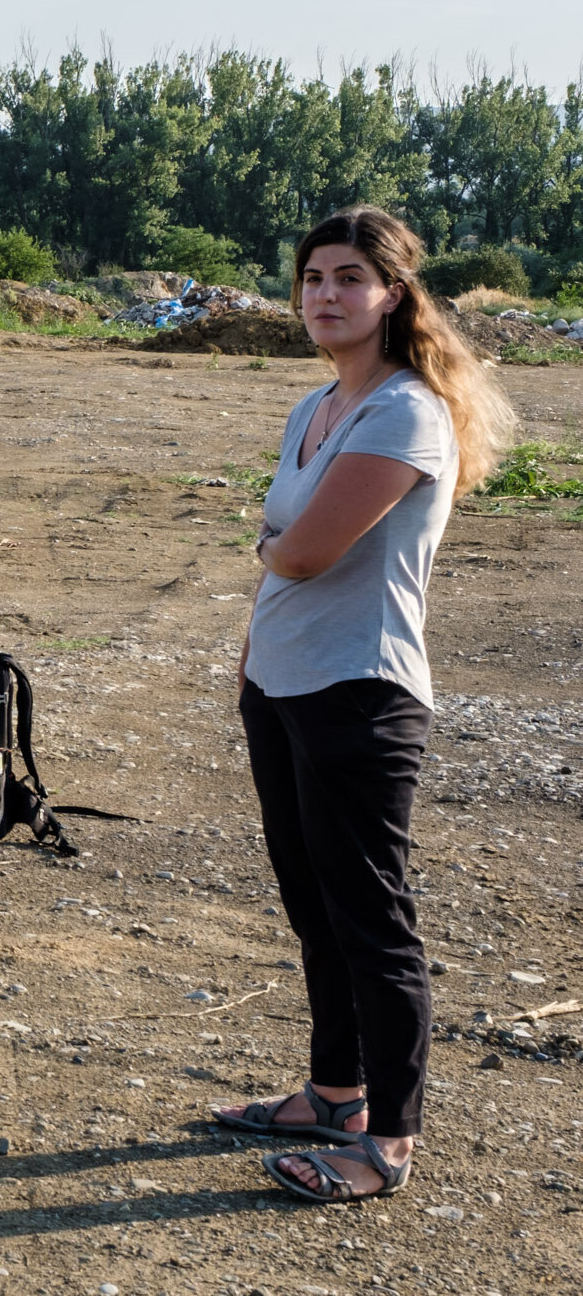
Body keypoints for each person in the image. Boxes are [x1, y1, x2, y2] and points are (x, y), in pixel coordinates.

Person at [213, 206, 513, 1203]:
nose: (324, 296)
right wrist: (256, 654)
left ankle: (387, 1141)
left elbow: (297, 548)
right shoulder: (316, 408)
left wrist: (265, 555)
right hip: (285, 684)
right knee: (315, 908)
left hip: (362, 695)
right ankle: (334, 1091)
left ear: (392, 294)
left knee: (372, 922)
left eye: (347, 278)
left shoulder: (404, 413)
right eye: (311, 279)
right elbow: (285, 551)